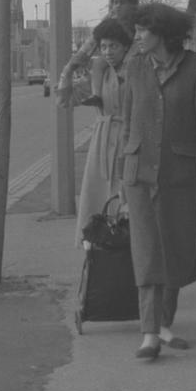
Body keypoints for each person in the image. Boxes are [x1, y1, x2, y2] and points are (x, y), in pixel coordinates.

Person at [119, 3, 196, 360]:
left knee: (175, 251)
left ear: (162, 33)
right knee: (148, 251)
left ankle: (164, 323)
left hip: (180, 176)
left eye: (142, 31)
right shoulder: (134, 67)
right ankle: (149, 333)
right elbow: (126, 121)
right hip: (140, 175)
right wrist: (123, 172)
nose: (136, 37)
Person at [57, 17, 133, 246]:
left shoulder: (135, 72)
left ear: (125, 47)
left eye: (114, 46)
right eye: (104, 47)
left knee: (125, 205)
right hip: (101, 144)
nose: (108, 52)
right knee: (98, 201)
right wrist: (69, 69)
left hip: (127, 142)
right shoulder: (99, 75)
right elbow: (65, 100)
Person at [62, 0, 140, 75]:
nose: (118, 6)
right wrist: (71, 67)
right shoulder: (107, 25)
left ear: (132, 5)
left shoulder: (140, 25)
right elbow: (89, 45)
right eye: (115, 2)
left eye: (122, 2)